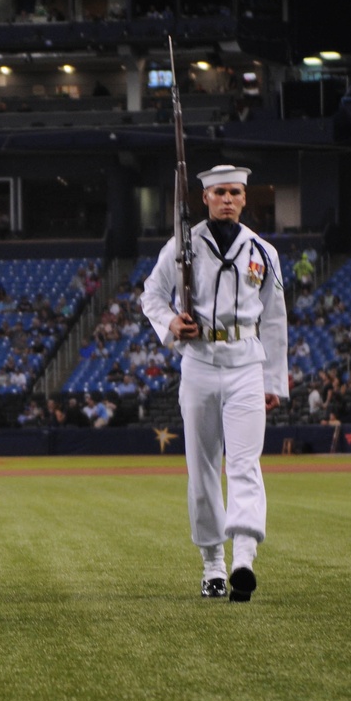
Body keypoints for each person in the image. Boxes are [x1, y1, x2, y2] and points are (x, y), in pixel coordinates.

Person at [141, 165, 288, 602]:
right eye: (220, 192)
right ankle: (212, 564)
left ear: (246, 198)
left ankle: (243, 556)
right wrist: (171, 321)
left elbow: (275, 318)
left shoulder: (263, 251)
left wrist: (274, 380)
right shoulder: (182, 246)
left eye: (236, 192)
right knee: (202, 469)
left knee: (245, 463)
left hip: (246, 364)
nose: (228, 199)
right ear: (204, 198)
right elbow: (151, 294)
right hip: (200, 363)